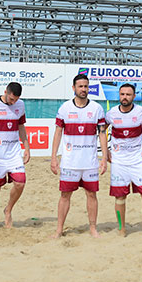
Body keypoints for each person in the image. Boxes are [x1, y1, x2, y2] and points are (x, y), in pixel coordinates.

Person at [50, 74, 108, 238]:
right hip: (70, 162)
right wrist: (54, 157)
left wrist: (104, 158)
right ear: (73, 88)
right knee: (65, 196)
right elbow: (58, 133)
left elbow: (102, 134)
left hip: (90, 162)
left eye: (86, 86)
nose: (84, 89)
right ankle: (59, 230)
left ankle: (93, 228)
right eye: (81, 86)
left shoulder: (96, 108)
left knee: (91, 195)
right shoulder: (65, 108)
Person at [105, 83, 142, 236]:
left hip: (137, 161)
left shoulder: (140, 111)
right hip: (119, 162)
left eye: (128, 94)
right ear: (119, 96)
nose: (125, 97)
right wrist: (105, 150)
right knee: (120, 197)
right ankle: (121, 229)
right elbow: (102, 129)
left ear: (134, 96)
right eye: (122, 94)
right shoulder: (112, 113)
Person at [0, 82, 30, 230]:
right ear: (5, 92)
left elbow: (21, 127)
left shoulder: (20, 105)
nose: (13, 102)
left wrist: (26, 147)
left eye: (16, 100)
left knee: (20, 182)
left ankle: (8, 209)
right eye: (11, 99)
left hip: (14, 151)